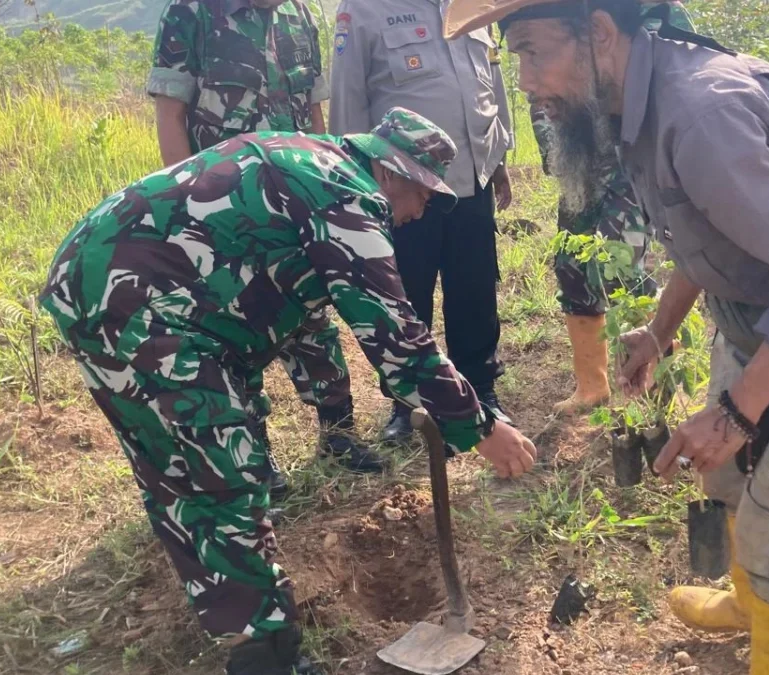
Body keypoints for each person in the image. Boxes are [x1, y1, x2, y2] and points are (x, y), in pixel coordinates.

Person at [444, 1, 769, 672]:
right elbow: (701, 233)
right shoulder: (635, 104)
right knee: (729, 477)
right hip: (756, 305)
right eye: (517, 58)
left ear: (599, 34)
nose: (528, 82)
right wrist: (661, 333)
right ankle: (753, 606)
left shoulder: (699, 115)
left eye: (535, 53)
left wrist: (737, 408)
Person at [38, 108, 537, 675]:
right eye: (422, 193)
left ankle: (230, 603)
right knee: (221, 468)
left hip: (103, 282)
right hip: (139, 303)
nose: (419, 211)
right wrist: (479, 427)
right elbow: (396, 336)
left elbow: (284, 302)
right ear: (392, 172)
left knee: (186, 458)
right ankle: (266, 656)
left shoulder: (310, 158)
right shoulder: (345, 193)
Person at [145, 0, 387, 485]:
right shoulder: (190, 14)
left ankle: (339, 435)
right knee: (234, 327)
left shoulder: (299, 13)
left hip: (295, 202)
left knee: (312, 314)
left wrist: (325, 184)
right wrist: (187, 203)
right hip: (224, 210)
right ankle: (257, 455)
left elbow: (314, 114)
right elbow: (171, 115)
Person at [328, 0, 515, 444]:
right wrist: (354, 182)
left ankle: (480, 390)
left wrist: (499, 157)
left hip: (472, 176)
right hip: (403, 186)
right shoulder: (364, 9)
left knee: (474, 285)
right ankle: (408, 404)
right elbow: (349, 98)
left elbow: (491, 80)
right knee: (406, 291)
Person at [533, 0, 693, 416]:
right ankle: (592, 385)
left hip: (631, 158)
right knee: (571, 263)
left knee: (619, 268)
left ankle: (658, 378)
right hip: (583, 161)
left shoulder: (649, 12)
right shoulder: (547, 19)